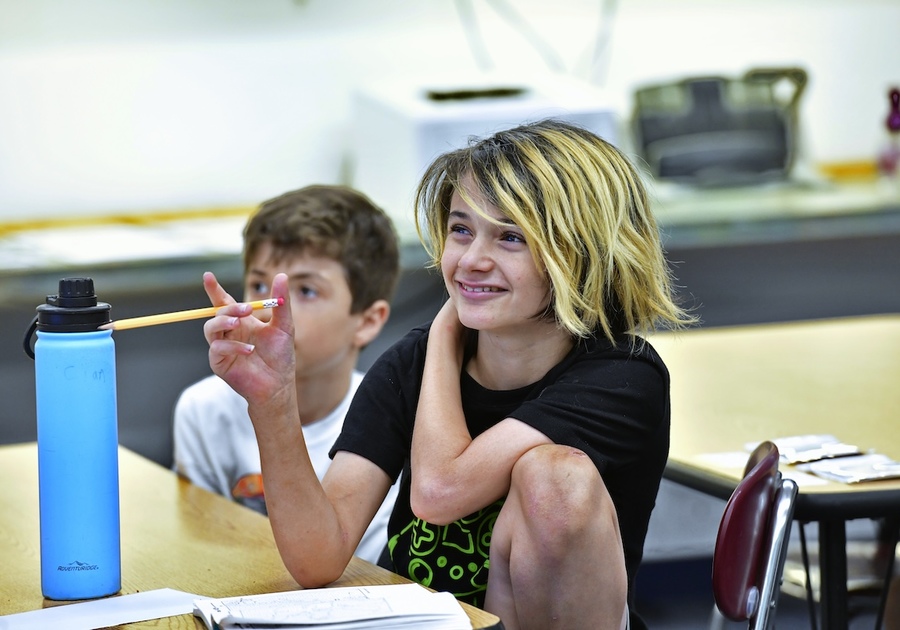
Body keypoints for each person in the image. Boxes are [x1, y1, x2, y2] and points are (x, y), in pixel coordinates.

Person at [199, 119, 695, 630]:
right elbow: (316, 558)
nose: (470, 260)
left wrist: (443, 331)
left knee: (553, 474)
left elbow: (438, 494)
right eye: (461, 229)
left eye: (510, 237)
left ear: (581, 253)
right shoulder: (411, 364)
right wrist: (273, 399)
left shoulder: (623, 373)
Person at [172, 184, 401, 565]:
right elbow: (201, 557)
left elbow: (365, 574)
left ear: (368, 320)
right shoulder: (202, 409)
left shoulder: (393, 425)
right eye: (259, 286)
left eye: (307, 291)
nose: (270, 309)